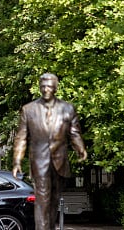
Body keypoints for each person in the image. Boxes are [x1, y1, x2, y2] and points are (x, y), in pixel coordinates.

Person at [12, 73, 87, 230]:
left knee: (53, 200)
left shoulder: (67, 108)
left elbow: (74, 132)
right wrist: (17, 160)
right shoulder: (29, 110)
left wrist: (80, 148)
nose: (46, 89)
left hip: (60, 161)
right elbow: (21, 137)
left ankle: (49, 227)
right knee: (42, 199)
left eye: (49, 86)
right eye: (43, 86)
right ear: (39, 87)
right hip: (39, 162)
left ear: (55, 88)